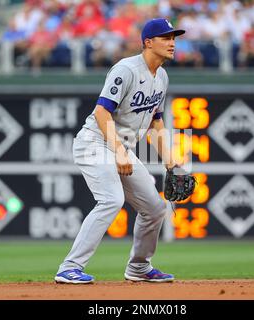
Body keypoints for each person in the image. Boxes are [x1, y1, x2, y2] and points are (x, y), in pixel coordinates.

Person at [55, 18, 185, 284]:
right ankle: (69, 267)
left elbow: (155, 122)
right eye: (166, 37)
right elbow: (102, 111)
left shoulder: (161, 76)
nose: (172, 42)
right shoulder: (125, 69)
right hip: (94, 142)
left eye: (174, 37)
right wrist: (119, 151)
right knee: (111, 199)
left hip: (119, 146)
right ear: (148, 42)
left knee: (155, 207)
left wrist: (172, 163)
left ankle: (139, 267)